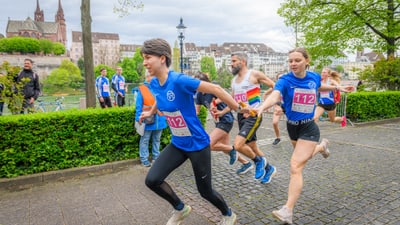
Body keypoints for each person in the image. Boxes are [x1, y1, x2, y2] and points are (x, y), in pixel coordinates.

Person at [140, 38, 239, 225]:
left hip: (197, 144)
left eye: (147, 58)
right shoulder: (153, 83)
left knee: (205, 191)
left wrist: (238, 108)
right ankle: (180, 209)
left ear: (162, 58)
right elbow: (159, 99)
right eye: (143, 58)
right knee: (152, 180)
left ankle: (228, 214)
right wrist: (149, 112)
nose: (144, 62)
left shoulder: (178, 80)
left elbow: (216, 89)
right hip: (178, 143)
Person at [257, 47, 354, 224]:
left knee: (295, 166)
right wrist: (263, 107)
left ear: (307, 61)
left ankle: (287, 210)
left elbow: (319, 86)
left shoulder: (314, 77)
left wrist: (338, 88)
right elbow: (275, 95)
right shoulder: (285, 80)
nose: (293, 64)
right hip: (292, 127)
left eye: (297, 60)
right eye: (290, 61)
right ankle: (322, 147)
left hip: (309, 127)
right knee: (304, 157)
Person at [229, 52, 277, 184]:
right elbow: (233, 102)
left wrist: (262, 105)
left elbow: (276, 87)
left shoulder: (254, 74)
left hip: (253, 116)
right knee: (253, 147)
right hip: (241, 116)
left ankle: (258, 161)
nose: (231, 64)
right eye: (231, 61)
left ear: (243, 61)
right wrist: (221, 112)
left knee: (238, 145)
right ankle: (269, 168)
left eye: (234, 61)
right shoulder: (233, 81)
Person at [194, 72, 253, 175]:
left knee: (209, 144)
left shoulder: (211, 90)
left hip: (226, 119)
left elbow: (226, 96)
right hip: (218, 121)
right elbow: (197, 111)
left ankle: (233, 150)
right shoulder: (199, 95)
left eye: (195, 82)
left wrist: (215, 102)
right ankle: (246, 163)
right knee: (224, 148)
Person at [135, 72, 167, 167]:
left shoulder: (159, 87)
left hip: (160, 119)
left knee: (157, 139)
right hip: (147, 120)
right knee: (145, 140)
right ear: (148, 77)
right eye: (153, 76)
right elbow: (138, 106)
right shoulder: (142, 89)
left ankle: (156, 157)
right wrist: (138, 118)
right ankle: (144, 159)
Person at [263, 73, 285, 146]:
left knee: (294, 122)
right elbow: (265, 94)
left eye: (283, 78)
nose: (281, 80)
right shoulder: (275, 87)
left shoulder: (290, 85)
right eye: (279, 78)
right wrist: (267, 106)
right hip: (278, 105)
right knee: (275, 122)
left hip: (288, 106)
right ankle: (278, 137)